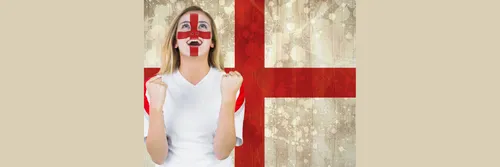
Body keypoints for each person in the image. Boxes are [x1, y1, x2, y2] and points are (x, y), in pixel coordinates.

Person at [143, 5, 246, 167]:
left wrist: (228, 100)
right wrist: (156, 108)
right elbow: (158, 157)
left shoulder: (231, 85)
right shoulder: (153, 86)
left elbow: (222, 152)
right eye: (185, 26)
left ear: (212, 42)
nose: (194, 33)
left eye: (202, 27)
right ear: (175, 42)